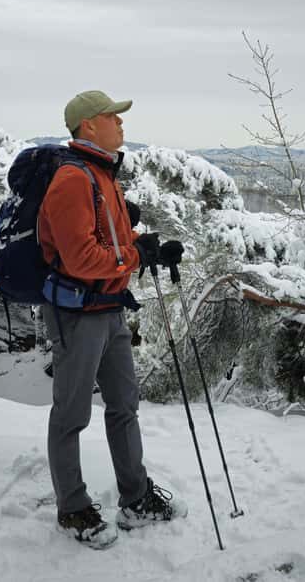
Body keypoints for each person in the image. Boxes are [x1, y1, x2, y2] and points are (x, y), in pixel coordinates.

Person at [38, 89, 186, 548]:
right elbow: (82, 258)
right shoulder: (71, 179)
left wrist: (150, 247)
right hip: (77, 316)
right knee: (71, 414)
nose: (121, 124)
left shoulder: (103, 174)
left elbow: (117, 240)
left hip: (109, 311)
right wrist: (135, 259)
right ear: (88, 126)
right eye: (112, 117)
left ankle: (136, 497)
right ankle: (73, 508)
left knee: (124, 406)